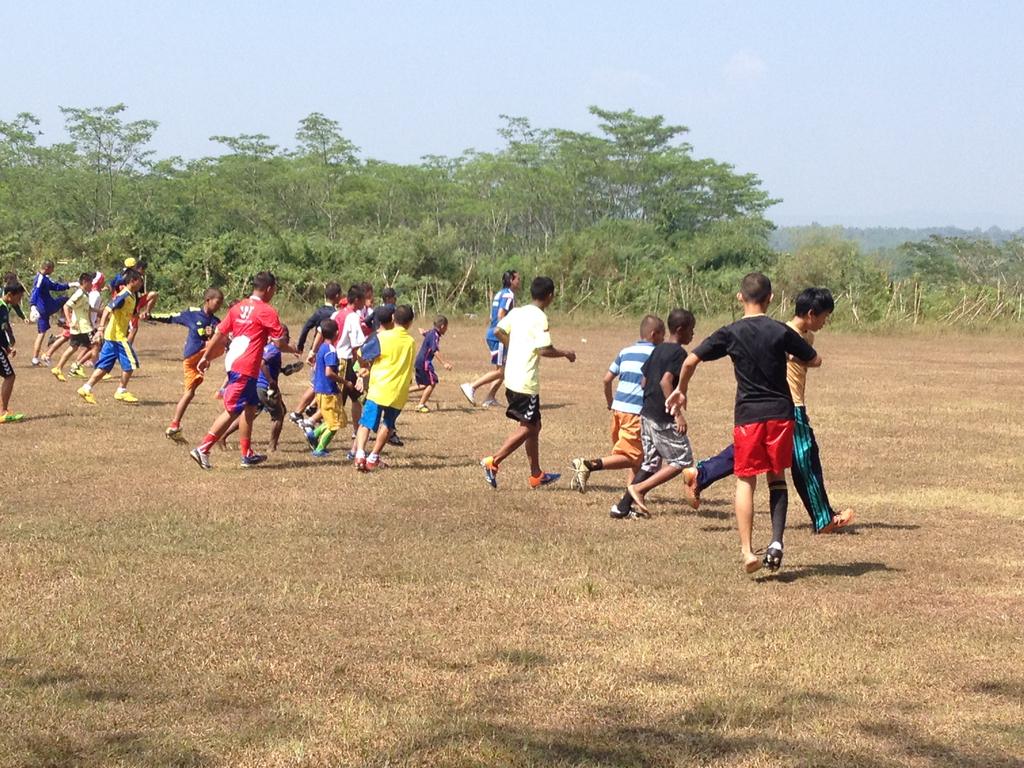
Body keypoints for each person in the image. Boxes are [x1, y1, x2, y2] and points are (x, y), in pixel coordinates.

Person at [666, 272, 820, 574]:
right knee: (777, 478)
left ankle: (748, 551)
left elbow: (689, 361)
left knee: (746, 481)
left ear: (740, 298)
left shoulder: (730, 332)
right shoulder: (781, 331)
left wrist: (681, 391)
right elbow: (814, 359)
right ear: (771, 298)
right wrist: (798, 358)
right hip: (780, 414)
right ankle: (776, 542)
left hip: (748, 416)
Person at [679, 289, 855, 534]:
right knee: (805, 458)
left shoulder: (804, 337)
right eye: (825, 316)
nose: (826, 322)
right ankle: (824, 518)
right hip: (788, 406)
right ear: (812, 314)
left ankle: (701, 473)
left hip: (779, 407)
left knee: (754, 451)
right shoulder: (783, 333)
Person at [189, 271, 298, 470]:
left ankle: (246, 454)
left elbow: (220, 333)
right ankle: (203, 449)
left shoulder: (238, 308)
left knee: (249, 407)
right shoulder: (267, 311)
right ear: (269, 289)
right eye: (274, 290)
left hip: (238, 362)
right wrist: (294, 349)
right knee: (232, 410)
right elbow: (278, 342)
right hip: (245, 366)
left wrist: (206, 357)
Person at [479, 276, 575, 489]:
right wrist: (566, 353)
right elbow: (544, 350)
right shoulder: (540, 317)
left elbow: (498, 330)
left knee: (534, 425)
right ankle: (493, 462)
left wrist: (513, 346)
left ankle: (536, 475)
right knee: (530, 427)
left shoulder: (517, 312)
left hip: (512, 378)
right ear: (550, 296)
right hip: (525, 381)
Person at [570, 314, 665, 493]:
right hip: (636, 414)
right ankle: (588, 465)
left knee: (639, 454)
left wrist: (610, 402)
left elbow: (606, 380)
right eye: (662, 335)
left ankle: (631, 494)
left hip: (618, 410)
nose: (664, 339)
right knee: (632, 456)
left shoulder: (625, 351)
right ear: (654, 334)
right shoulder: (656, 354)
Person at [150, 287, 225, 440]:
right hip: (193, 356)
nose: (218, 306)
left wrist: (211, 339)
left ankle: (174, 425)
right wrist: (150, 315)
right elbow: (171, 317)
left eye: (221, 304)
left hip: (198, 360)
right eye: (217, 303)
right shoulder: (193, 314)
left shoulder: (216, 322)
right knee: (223, 342)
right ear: (208, 300)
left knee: (189, 393)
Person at [354, 304, 416, 471]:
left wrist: (365, 366)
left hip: (379, 388)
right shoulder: (411, 342)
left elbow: (361, 353)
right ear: (410, 323)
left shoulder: (383, 337)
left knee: (366, 423)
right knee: (388, 424)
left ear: (393, 319)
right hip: (398, 391)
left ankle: (360, 454)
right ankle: (373, 457)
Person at [76, 269, 146, 405]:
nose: (141, 283)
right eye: (140, 280)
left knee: (104, 367)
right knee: (130, 364)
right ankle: (121, 391)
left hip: (112, 336)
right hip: (117, 337)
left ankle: (86, 388)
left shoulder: (131, 296)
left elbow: (125, 314)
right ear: (133, 281)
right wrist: (100, 328)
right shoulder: (124, 295)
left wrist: (139, 316)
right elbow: (108, 309)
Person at [461, 269, 520, 407]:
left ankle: (490, 397)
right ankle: (471, 386)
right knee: (501, 371)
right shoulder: (509, 295)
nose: (519, 282)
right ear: (511, 280)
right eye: (518, 279)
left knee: (505, 369)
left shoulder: (500, 293)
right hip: (498, 336)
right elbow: (500, 315)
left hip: (494, 333)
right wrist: (505, 332)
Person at [289, 282, 343, 423]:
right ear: (337, 296)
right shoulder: (334, 314)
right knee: (317, 384)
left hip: (319, 350)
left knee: (318, 383)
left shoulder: (319, 311)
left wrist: (301, 345)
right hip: (325, 352)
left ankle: (311, 409)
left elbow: (307, 326)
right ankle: (298, 412)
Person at [307, 319, 346, 457]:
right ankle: (319, 449)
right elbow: (329, 373)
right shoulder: (331, 351)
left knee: (335, 419)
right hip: (328, 391)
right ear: (337, 333)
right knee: (334, 424)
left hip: (320, 389)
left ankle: (314, 433)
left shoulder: (322, 348)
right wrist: (344, 382)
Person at [51, 272, 95, 382]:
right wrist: (69, 321)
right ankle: (96, 370)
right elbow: (66, 306)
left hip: (82, 327)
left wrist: (97, 314)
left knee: (73, 348)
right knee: (96, 346)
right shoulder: (79, 294)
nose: (92, 285)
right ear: (85, 282)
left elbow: (86, 309)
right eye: (90, 283)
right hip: (82, 327)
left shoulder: (84, 294)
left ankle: (58, 368)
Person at [29, 260, 71, 366]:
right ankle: (62, 320)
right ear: (47, 268)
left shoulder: (44, 278)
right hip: (47, 307)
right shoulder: (40, 278)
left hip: (43, 309)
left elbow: (55, 286)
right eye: (52, 269)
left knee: (41, 334)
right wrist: (32, 305)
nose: (53, 271)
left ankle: (35, 358)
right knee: (66, 300)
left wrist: (69, 285)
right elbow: (35, 291)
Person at [411, 315, 453, 412]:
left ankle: (403, 393)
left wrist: (422, 332)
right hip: (424, 363)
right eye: (446, 327)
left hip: (419, 361)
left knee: (424, 385)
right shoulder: (435, 335)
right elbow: (435, 350)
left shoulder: (431, 332)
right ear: (442, 326)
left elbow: (426, 333)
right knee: (432, 383)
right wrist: (444, 363)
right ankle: (421, 405)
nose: (446, 329)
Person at [0, 282, 27, 423]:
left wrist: (7, 347)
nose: (19, 300)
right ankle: (3, 412)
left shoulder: (3, 306)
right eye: (19, 297)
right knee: (9, 376)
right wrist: (6, 346)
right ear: (10, 295)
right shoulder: (2, 307)